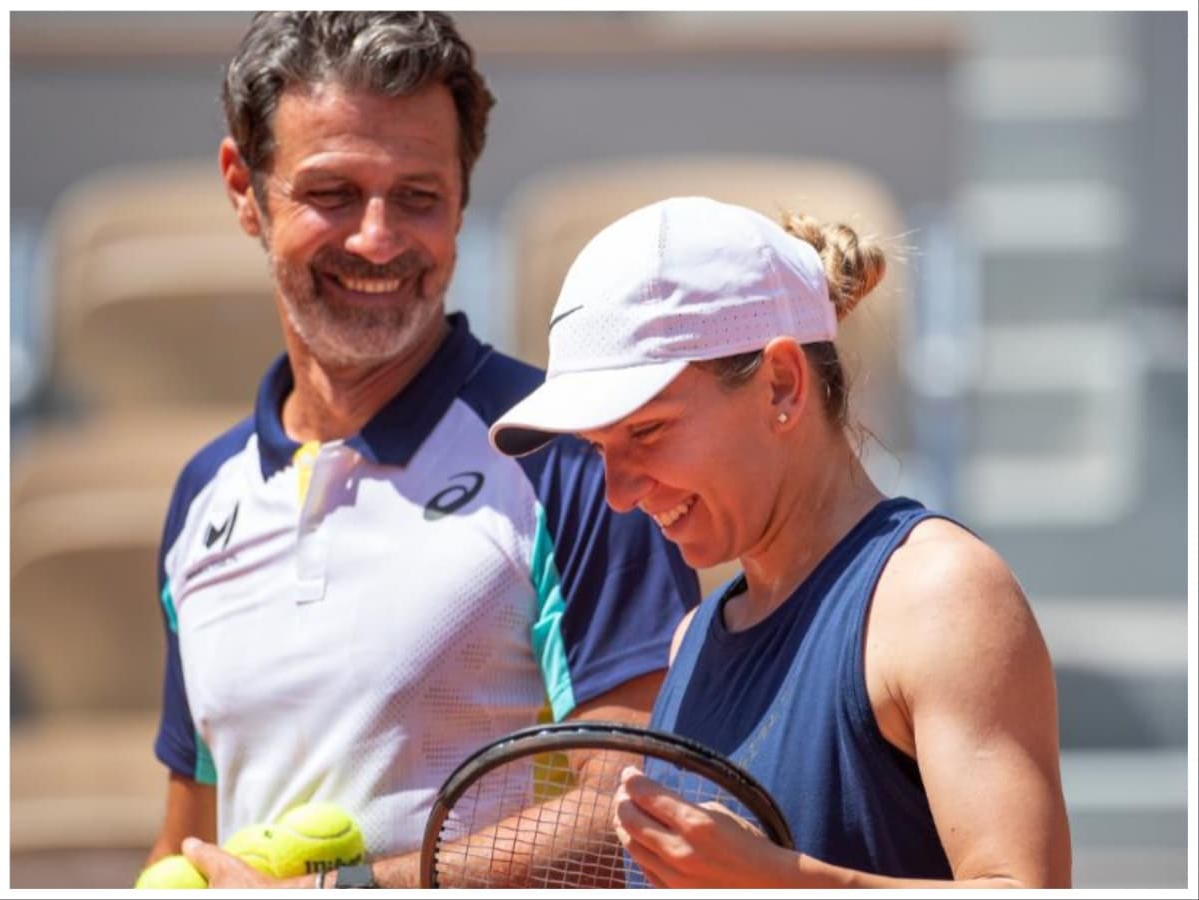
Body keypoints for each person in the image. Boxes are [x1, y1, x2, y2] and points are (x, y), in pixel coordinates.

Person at [147, 12, 699, 889]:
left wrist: (353, 891)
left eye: (418, 196)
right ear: (243, 190)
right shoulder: (201, 496)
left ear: (462, 201)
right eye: (332, 193)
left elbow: (639, 813)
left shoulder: (569, 454)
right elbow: (190, 840)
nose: (378, 238)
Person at [489, 196, 1073, 888]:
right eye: (597, 448)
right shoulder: (692, 641)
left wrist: (780, 883)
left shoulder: (942, 597)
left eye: (647, 431)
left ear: (783, 385)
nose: (618, 492)